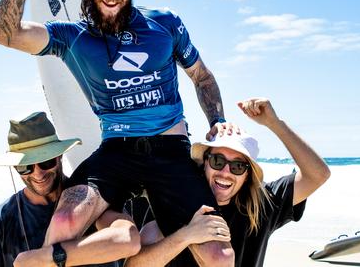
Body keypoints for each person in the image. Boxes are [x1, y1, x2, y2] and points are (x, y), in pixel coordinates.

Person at [0, 0, 235, 266]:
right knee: (63, 221)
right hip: (115, 151)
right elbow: (4, 34)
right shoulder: (71, 37)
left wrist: (218, 121)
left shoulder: (165, 24)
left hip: (169, 149)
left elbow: (202, 77)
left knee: (219, 254)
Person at [125, 97, 331, 267]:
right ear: (204, 162)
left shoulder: (262, 205)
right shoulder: (175, 200)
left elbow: (318, 175)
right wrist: (186, 236)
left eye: (237, 166)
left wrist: (274, 123)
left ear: (248, 175)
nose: (225, 172)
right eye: (218, 161)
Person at [0, 112, 140, 267]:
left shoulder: (90, 199)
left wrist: (51, 257)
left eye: (45, 162)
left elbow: (127, 238)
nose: (38, 174)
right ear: (15, 167)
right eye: (25, 167)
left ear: (60, 156)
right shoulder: (0, 220)